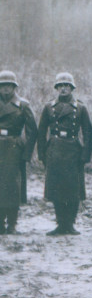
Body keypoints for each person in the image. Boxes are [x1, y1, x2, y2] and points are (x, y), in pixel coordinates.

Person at [37, 73, 92, 235]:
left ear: (72, 88)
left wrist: (85, 155)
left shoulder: (80, 108)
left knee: (73, 189)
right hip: (54, 149)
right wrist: (42, 154)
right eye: (60, 85)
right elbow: (41, 132)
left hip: (73, 150)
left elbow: (88, 133)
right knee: (56, 188)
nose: (63, 88)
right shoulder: (49, 107)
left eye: (67, 86)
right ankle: (61, 223)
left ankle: (70, 224)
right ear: (56, 88)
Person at [0, 70, 37, 235]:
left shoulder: (23, 105)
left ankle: (12, 223)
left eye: (9, 85)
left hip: (13, 149)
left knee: (12, 187)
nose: (6, 89)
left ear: (14, 87)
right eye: (3, 85)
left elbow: (32, 131)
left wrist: (26, 154)